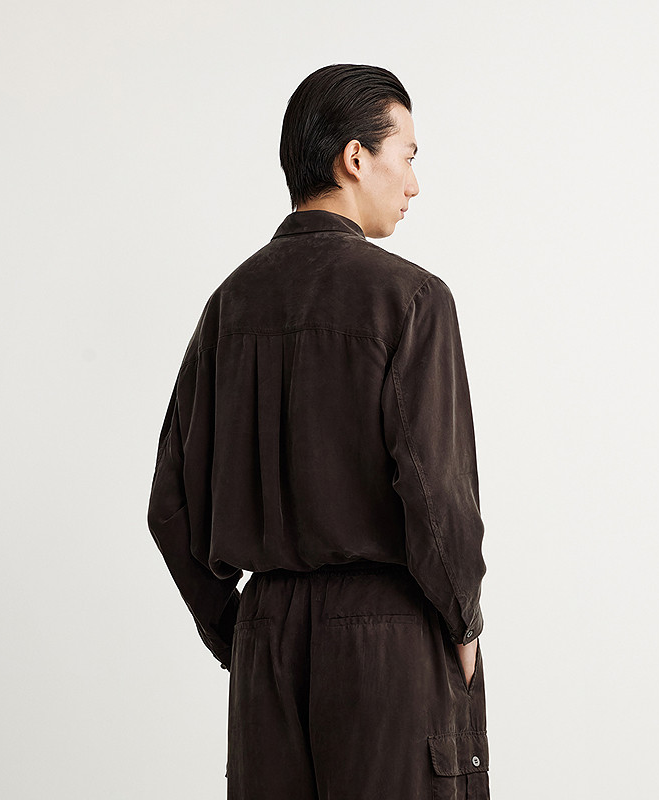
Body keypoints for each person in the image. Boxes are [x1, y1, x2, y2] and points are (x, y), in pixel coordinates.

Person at [147, 63, 490, 799]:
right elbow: (436, 493)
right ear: (355, 157)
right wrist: (463, 621)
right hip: (388, 641)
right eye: (407, 157)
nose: (414, 184)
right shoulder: (412, 298)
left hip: (267, 639)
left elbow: (170, 504)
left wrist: (239, 629)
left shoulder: (228, 306)